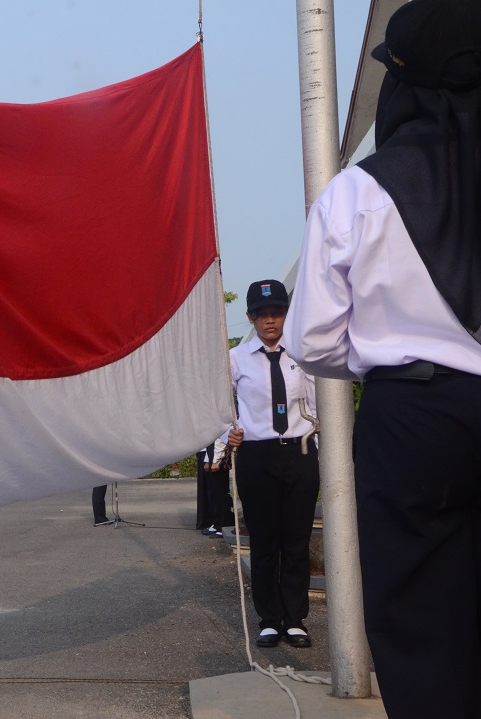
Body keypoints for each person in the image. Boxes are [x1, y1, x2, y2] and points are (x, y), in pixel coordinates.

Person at [283, 2, 481, 715]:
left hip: (413, 415)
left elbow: (312, 341)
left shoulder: (358, 191)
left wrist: (385, 359)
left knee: (420, 621)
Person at [226, 280, 319, 649]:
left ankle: (295, 619)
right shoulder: (236, 358)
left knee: (296, 541)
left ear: (286, 314)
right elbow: (222, 405)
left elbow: (316, 407)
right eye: (262, 314)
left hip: (298, 452)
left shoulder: (302, 355)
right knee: (264, 542)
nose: (270, 321)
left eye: (277, 313)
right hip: (257, 455)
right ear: (250, 317)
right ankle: (268, 618)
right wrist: (226, 434)